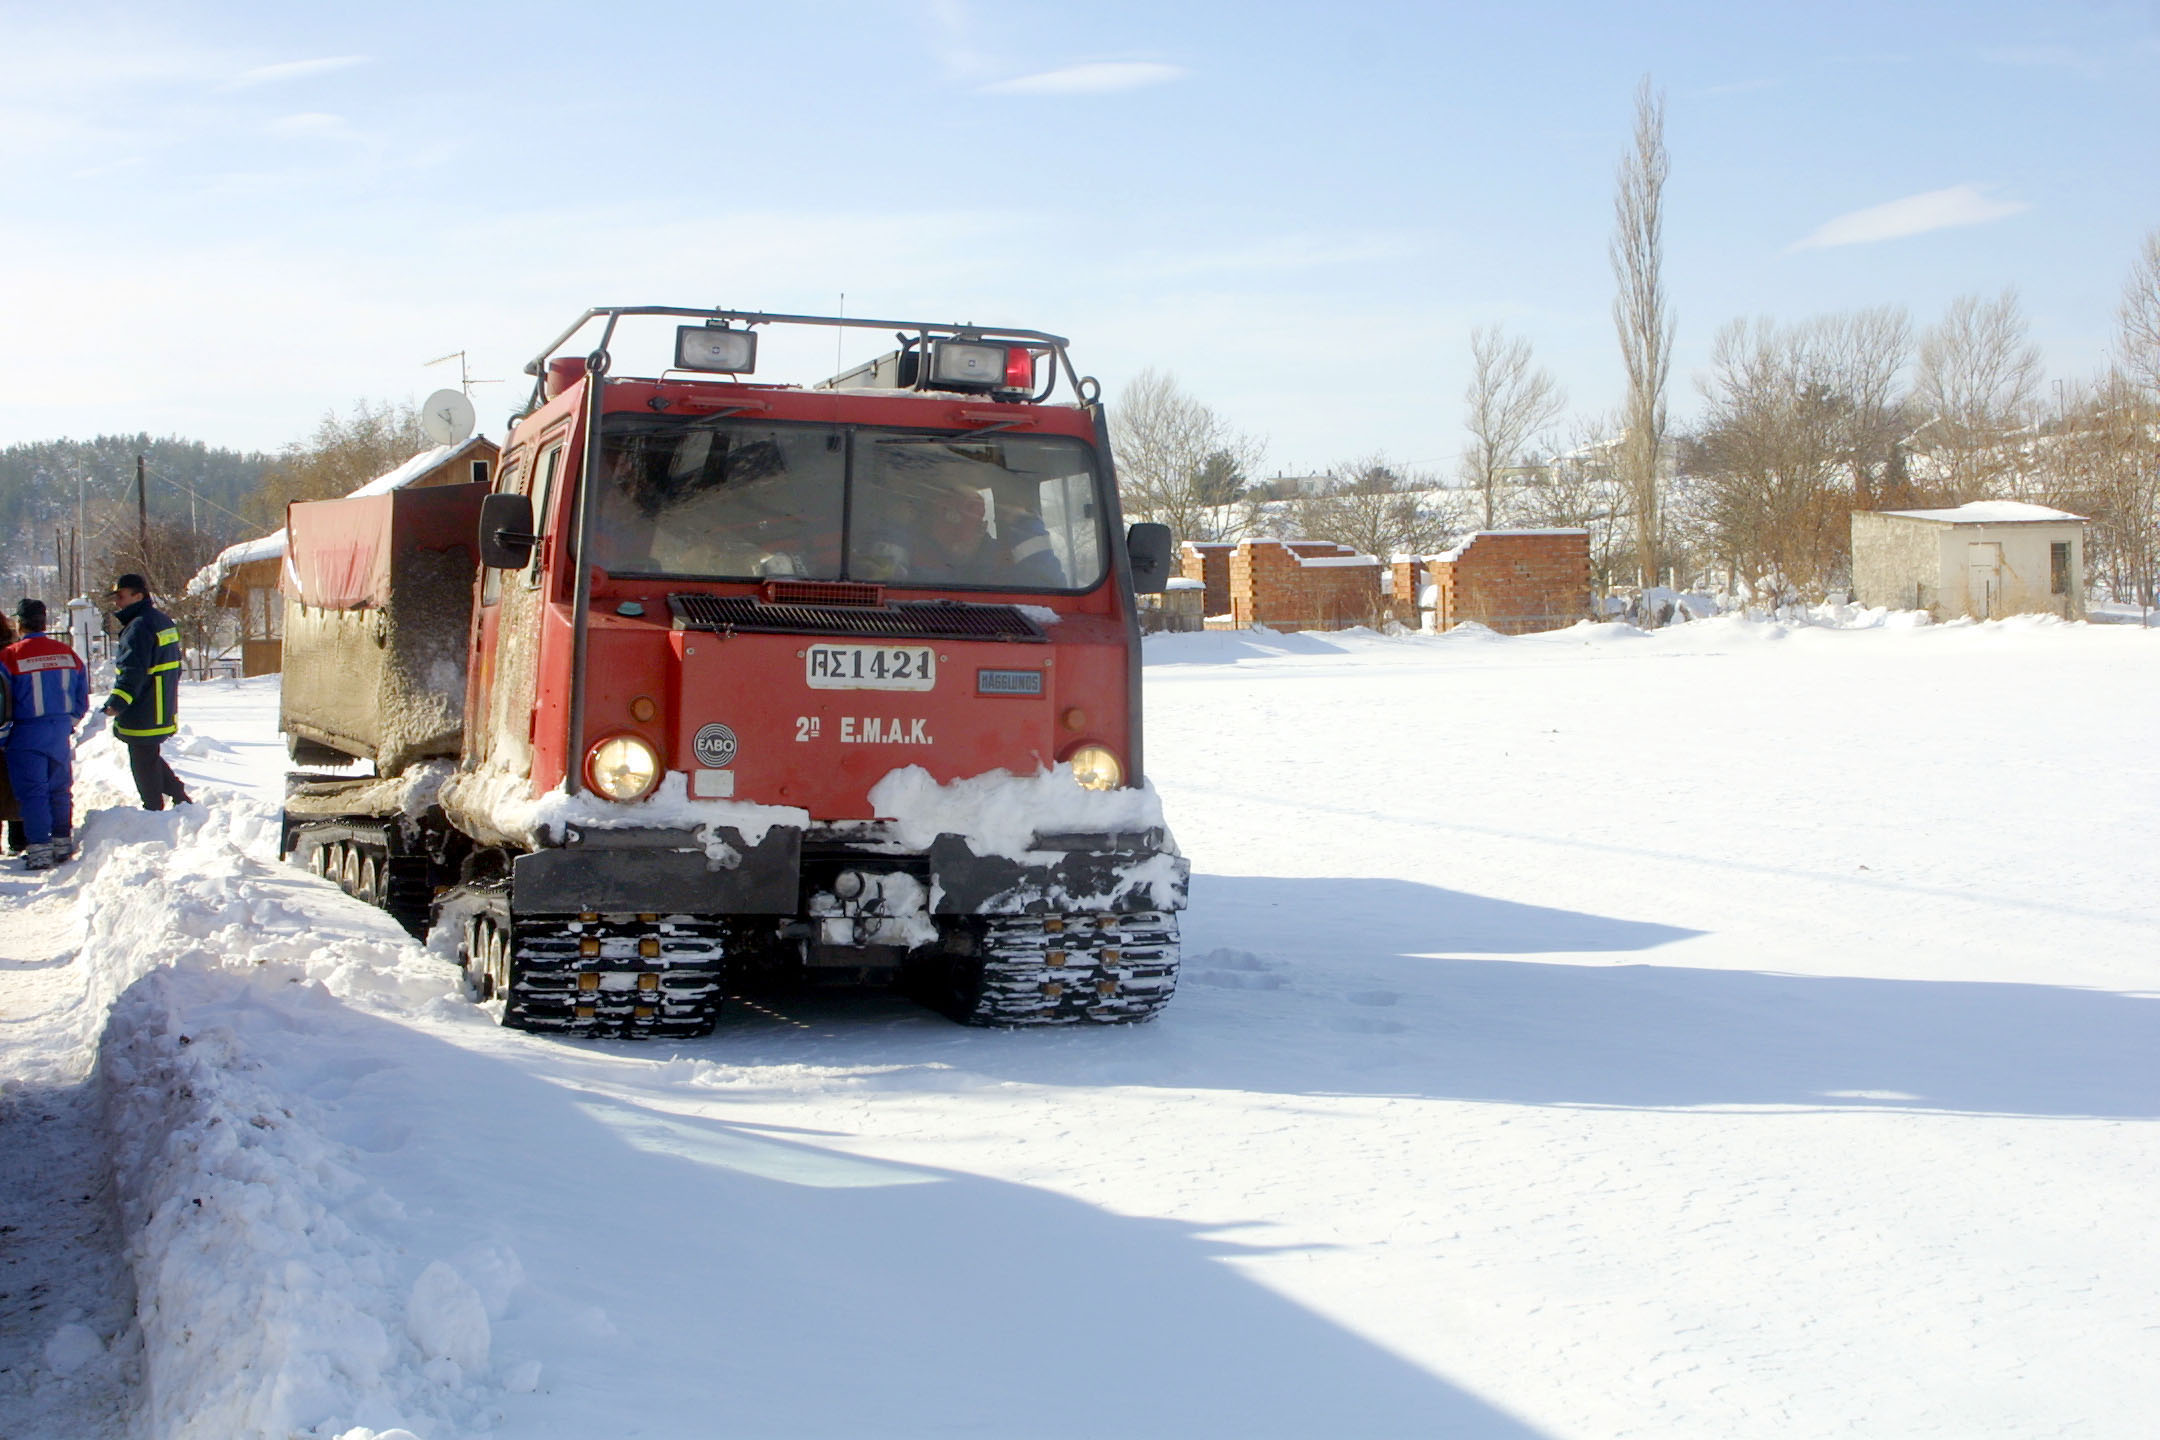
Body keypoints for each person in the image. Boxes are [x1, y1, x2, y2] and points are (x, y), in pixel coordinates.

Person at [1, 599, 89, 870]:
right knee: (60, 789)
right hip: (59, 732)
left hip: (25, 733)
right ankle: (62, 841)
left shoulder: (10, 656)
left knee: (32, 793)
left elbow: (2, 700)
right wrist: (68, 723)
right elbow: (81, 696)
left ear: (19, 622)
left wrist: (3, 735)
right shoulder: (67, 653)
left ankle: (39, 848)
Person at [102, 574, 191, 811]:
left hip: (144, 707)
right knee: (148, 755)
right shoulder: (162, 620)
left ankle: (153, 809)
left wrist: (117, 702)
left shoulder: (139, 626)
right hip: (162, 703)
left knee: (142, 760)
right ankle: (180, 797)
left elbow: (132, 671)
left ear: (138, 596)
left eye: (121, 596)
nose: (117, 603)